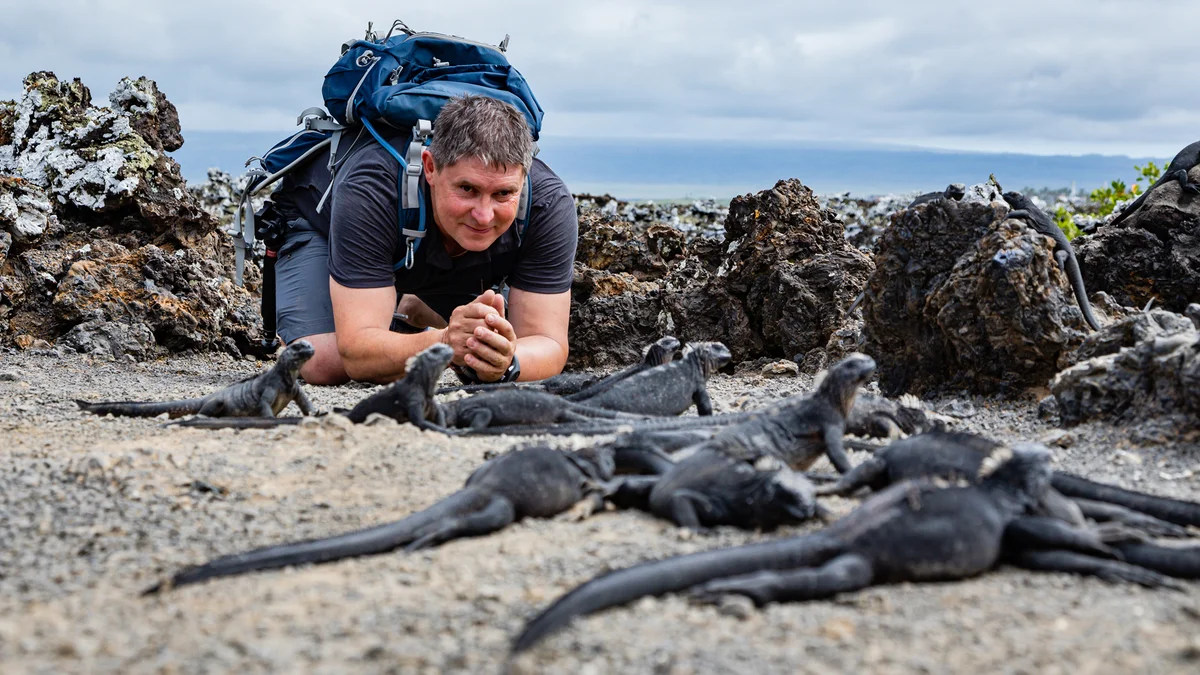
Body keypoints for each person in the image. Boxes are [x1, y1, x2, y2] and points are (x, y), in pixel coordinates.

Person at [271, 95, 577, 385]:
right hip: (320, 224)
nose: (484, 215)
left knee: (489, 337)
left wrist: (507, 363)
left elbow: (548, 343)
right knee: (322, 362)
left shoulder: (548, 204)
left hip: (430, 248)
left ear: (523, 178)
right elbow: (358, 355)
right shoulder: (371, 189)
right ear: (430, 167)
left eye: (503, 194)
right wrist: (444, 342)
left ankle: (413, 306)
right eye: (467, 189)